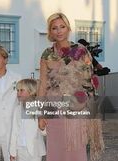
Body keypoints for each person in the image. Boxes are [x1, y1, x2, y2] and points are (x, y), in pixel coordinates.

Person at [38, 13, 104, 161]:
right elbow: (43, 84)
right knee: (56, 151)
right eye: (54, 28)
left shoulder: (80, 50)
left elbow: (89, 81)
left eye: (62, 26)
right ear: (50, 32)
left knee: (76, 151)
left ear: (68, 28)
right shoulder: (47, 55)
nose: (59, 31)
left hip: (77, 109)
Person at [9, 79, 46, 161]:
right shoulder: (17, 110)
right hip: (20, 149)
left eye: (21, 90)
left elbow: (44, 131)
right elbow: (14, 131)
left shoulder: (39, 108)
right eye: (17, 90)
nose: (18, 93)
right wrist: (12, 152)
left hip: (34, 150)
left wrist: (43, 128)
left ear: (31, 91)